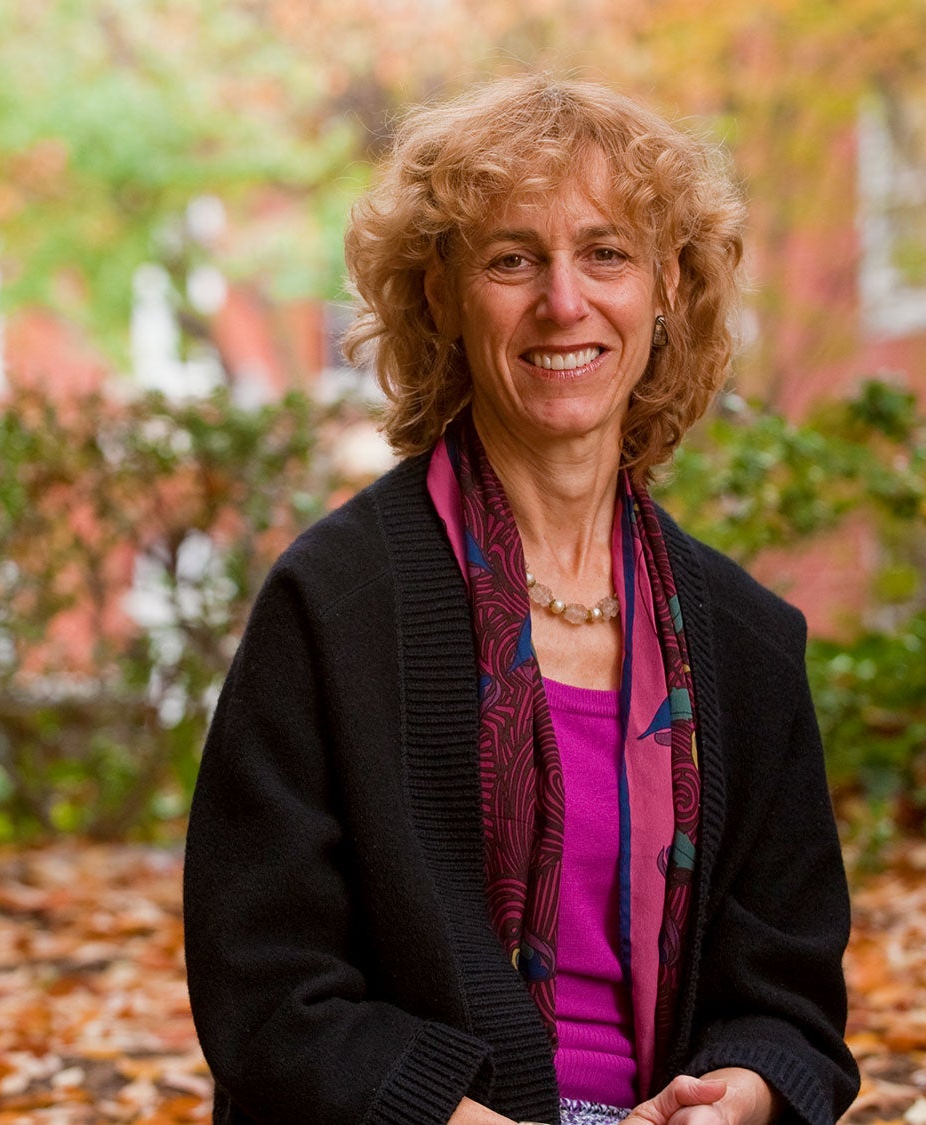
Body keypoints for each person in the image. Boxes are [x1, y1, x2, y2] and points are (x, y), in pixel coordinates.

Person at [183, 73, 857, 1125]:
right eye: (511, 259)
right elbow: (264, 988)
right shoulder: (338, 604)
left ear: (666, 287)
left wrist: (747, 1093)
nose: (562, 301)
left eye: (605, 253)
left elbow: (788, 999)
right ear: (441, 296)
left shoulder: (744, 640)